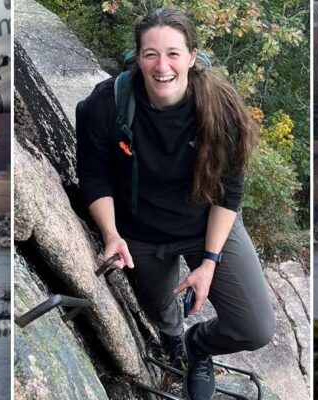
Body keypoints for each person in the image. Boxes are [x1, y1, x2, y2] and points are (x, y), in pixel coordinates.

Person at [75, 8, 274, 400]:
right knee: (162, 310)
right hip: (140, 234)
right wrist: (111, 234)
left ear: (192, 57)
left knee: (255, 328)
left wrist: (210, 262)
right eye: (150, 54)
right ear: (137, 58)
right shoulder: (106, 104)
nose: (161, 66)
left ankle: (198, 346)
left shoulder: (222, 111)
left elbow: (229, 192)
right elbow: (93, 174)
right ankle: (176, 345)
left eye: (173, 53)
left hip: (205, 223)